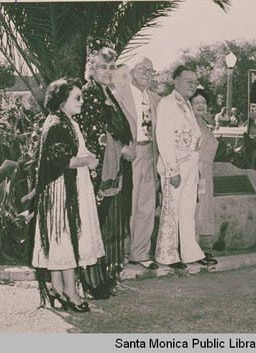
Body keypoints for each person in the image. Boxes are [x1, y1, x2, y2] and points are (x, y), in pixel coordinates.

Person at [32, 78, 104, 312]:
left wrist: (88, 153)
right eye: (77, 97)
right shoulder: (56, 124)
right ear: (62, 100)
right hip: (61, 190)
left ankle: (57, 289)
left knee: (61, 239)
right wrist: (88, 161)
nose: (82, 101)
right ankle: (70, 293)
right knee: (64, 238)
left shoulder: (67, 122)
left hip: (71, 186)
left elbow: (71, 151)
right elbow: (62, 160)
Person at [75, 42, 134, 298]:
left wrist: (127, 146)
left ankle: (102, 276)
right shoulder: (88, 95)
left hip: (113, 171)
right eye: (103, 67)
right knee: (93, 224)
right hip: (97, 173)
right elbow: (93, 134)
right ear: (91, 69)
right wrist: (121, 150)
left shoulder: (107, 93)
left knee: (105, 223)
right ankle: (89, 281)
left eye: (112, 67)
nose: (109, 71)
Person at [155, 66, 216, 269]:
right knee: (171, 211)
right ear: (175, 81)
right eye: (188, 80)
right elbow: (163, 137)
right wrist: (172, 170)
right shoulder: (167, 103)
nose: (192, 85)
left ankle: (190, 253)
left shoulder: (187, 105)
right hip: (176, 168)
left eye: (195, 81)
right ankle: (167, 255)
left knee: (188, 211)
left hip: (191, 167)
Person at [114, 55, 160, 270]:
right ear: (132, 72)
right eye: (143, 69)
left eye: (150, 71)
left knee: (146, 206)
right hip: (129, 155)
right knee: (127, 205)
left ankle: (139, 253)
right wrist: (122, 148)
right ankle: (120, 252)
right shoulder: (119, 95)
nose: (147, 74)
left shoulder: (155, 99)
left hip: (150, 153)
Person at [189, 88, 219, 264]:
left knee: (201, 211)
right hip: (197, 172)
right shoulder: (190, 124)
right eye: (196, 102)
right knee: (195, 211)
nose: (201, 106)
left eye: (203, 102)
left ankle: (197, 248)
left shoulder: (203, 123)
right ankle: (192, 251)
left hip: (206, 172)